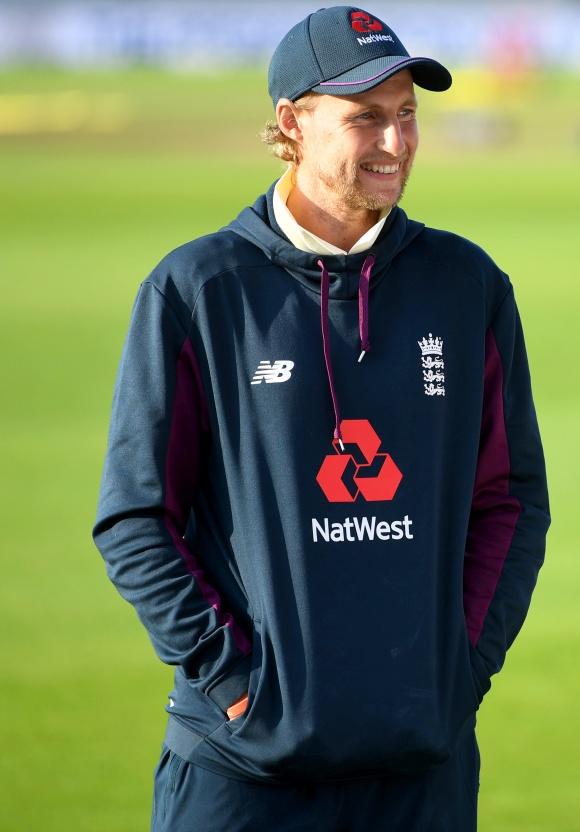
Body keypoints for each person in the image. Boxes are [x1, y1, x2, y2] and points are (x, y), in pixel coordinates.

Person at [93, 7, 550, 830]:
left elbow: (510, 501)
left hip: (422, 768)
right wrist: (235, 687)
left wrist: (462, 669)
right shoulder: (200, 290)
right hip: (245, 773)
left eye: (408, 114)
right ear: (290, 124)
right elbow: (134, 518)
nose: (396, 142)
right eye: (365, 118)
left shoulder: (467, 285)